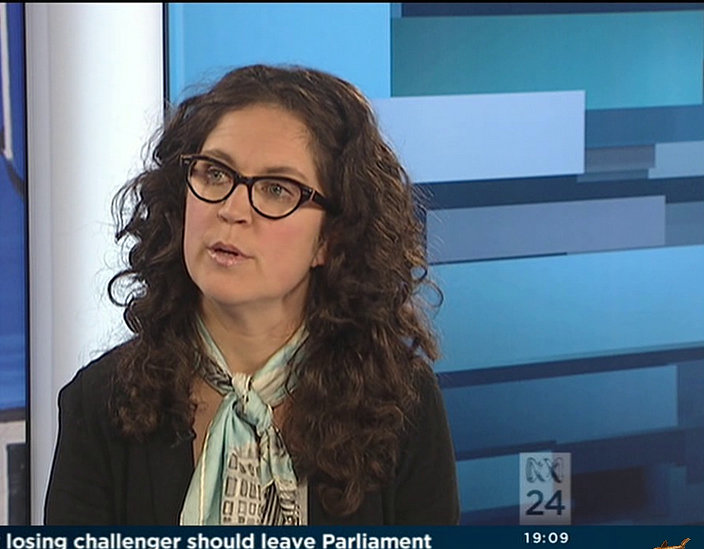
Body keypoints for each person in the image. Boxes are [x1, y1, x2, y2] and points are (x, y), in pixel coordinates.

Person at [44, 64, 459, 525]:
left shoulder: (400, 403)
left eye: (277, 189)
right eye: (215, 174)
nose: (232, 209)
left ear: (331, 239)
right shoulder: (99, 402)